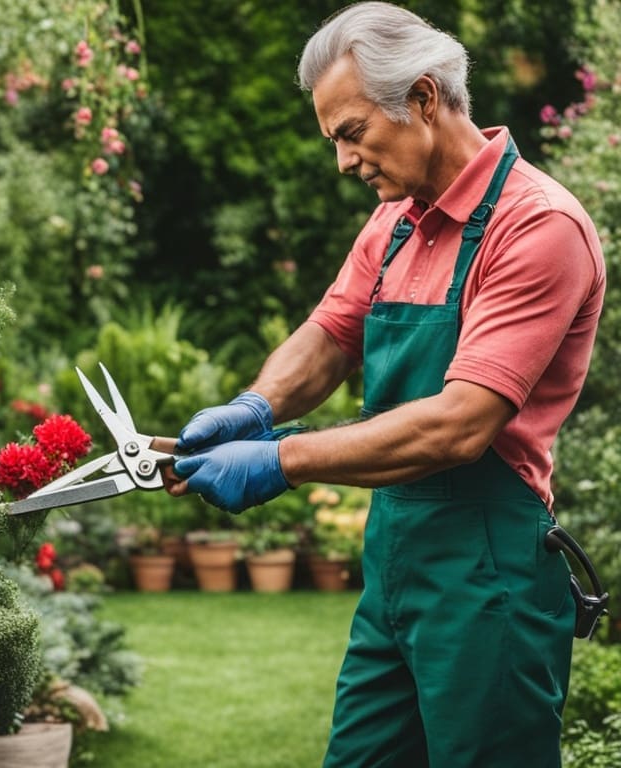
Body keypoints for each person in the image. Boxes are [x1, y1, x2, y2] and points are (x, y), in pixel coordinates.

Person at [162, 2, 606, 766]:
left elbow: (460, 425)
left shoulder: (537, 227)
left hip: (486, 577)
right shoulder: (396, 220)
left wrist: (281, 458)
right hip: (394, 567)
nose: (342, 160)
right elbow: (330, 336)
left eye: (351, 133)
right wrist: (253, 408)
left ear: (425, 99)